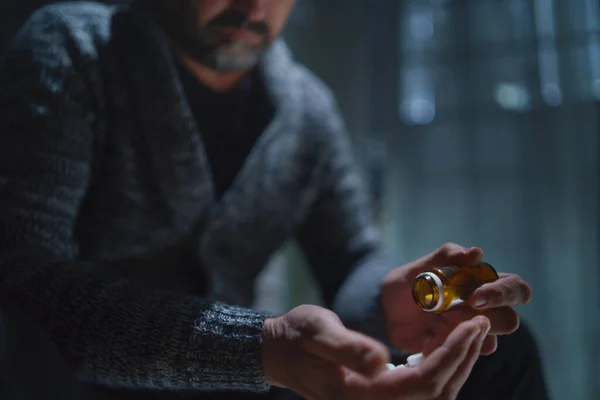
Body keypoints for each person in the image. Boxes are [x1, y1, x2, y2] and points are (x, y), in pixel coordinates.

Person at [0, 1, 548, 399]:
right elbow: (25, 274)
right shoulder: (75, 50)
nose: (254, 5)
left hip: (254, 381)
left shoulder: (306, 107)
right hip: (88, 384)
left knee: (497, 356)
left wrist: (387, 298)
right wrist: (260, 347)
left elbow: (350, 252)